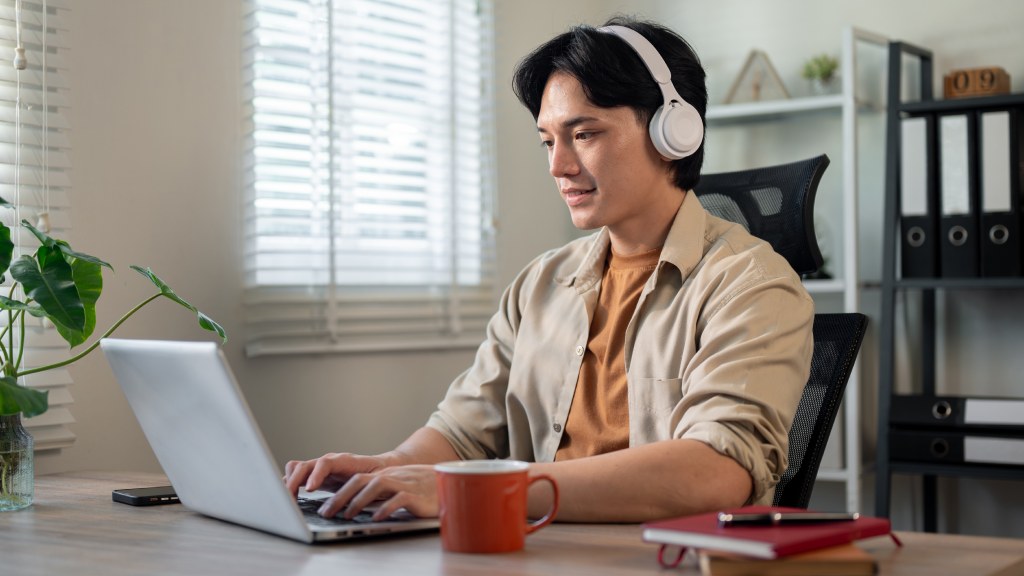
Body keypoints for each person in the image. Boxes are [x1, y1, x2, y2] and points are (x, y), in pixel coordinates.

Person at [284, 16, 813, 524]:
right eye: (547, 140)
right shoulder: (539, 285)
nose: (557, 166)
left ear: (673, 132)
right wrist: (390, 467)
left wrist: (484, 490)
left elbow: (716, 472)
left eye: (583, 134)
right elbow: (464, 431)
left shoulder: (751, 285)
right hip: (534, 549)